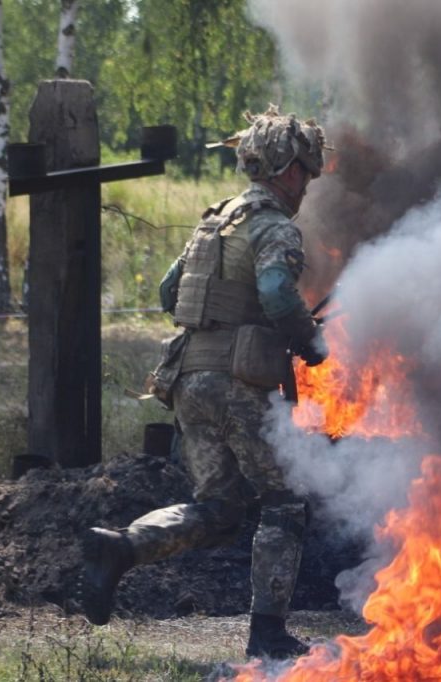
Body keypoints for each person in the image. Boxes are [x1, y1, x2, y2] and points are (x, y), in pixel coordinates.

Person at [79, 106, 329, 659]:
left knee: (217, 508)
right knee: (284, 504)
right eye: (305, 173)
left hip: (189, 381)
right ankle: (268, 638)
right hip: (238, 385)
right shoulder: (275, 227)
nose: (306, 185)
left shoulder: (215, 221)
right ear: (287, 168)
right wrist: (308, 340)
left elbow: (172, 295)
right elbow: (277, 294)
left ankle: (120, 548)